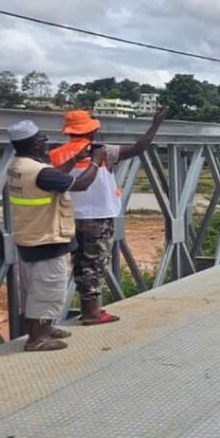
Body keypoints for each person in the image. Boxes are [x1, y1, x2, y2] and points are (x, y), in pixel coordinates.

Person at [58, 108, 167, 325]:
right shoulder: (103, 152)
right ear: (92, 131)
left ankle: (89, 307)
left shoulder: (57, 153)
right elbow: (139, 147)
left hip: (70, 216)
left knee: (80, 262)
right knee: (95, 262)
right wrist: (155, 125)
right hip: (98, 216)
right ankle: (91, 313)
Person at [6, 120, 106, 351]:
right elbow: (81, 184)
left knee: (35, 288)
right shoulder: (40, 172)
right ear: (33, 144)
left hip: (29, 236)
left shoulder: (19, 166)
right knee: (48, 290)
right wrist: (95, 161)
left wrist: (74, 159)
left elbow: (53, 176)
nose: (45, 144)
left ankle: (45, 329)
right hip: (47, 238)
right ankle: (37, 339)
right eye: (42, 140)